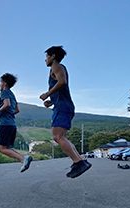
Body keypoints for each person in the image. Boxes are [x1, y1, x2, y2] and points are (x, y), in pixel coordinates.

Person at [39, 46, 91, 178]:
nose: (45, 59)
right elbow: (61, 89)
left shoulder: (57, 66)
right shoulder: (56, 68)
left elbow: (62, 82)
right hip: (62, 106)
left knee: (58, 137)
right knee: (61, 137)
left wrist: (47, 94)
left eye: (47, 56)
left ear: (53, 56)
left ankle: (78, 162)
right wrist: (52, 101)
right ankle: (79, 160)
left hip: (63, 107)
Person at [0, 73, 33, 172]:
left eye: (0, 83)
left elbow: (7, 104)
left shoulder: (4, 92)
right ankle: (24, 158)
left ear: (5, 84)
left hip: (5, 124)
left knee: (1, 148)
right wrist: (9, 114)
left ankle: (23, 158)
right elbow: (17, 110)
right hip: (12, 124)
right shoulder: (12, 94)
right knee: (6, 147)